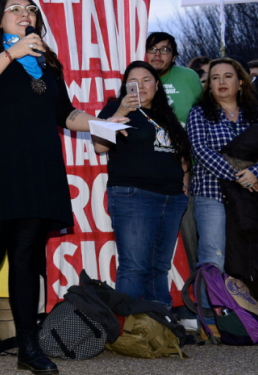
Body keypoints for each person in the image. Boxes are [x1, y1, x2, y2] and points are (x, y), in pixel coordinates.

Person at [0, 0, 126, 375]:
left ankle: (29, 348)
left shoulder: (48, 65)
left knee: (27, 262)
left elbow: (65, 113)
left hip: (37, 173)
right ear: (0, 19)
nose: (24, 14)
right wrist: (12, 53)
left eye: (30, 9)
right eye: (15, 9)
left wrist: (100, 124)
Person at [93, 61, 191, 308]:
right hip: (134, 196)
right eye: (133, 82)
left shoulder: (166, 114)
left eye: (146, 80)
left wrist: (184, 182)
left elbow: (180, 153)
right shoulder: (115, 108)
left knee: (159, 266)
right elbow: (99, 146)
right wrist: (121, 112)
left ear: (157, 85)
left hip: (171, 198)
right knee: (134, 266)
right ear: (126, 86)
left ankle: (159, 324)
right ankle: (128, 330)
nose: (140, 86)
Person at [145, 31, 202, 313]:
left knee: (192, 243)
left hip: (187, 176)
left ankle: (199, 309)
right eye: (152, 49)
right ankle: (158, 308)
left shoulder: (189, 78)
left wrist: (189, 168)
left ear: (174, 55)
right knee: (153, 247)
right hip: (149, 179)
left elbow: (202, 116)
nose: (157, 54)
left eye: (164, 50)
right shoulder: (138, 77)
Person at [187, 58, 258, 273]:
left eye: (228, 76)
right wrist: (240, 176)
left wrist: (255, 172)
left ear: (241, 82)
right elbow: (199, 150)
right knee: (213, 256)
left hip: (251, 197)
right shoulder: (199, 113)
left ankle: (246, 306)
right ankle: (212, 307)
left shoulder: (254, 114)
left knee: (250, 256)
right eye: (215, 78)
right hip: (212, 195)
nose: (221, 81)